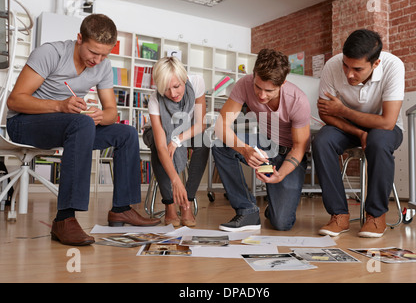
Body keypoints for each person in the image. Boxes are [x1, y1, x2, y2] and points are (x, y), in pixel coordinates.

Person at [6, 14, 160, 246]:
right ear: (79, 38)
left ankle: (122, 208)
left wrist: (101, 116)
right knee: (82, 123)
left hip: (69, 126)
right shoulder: (50, 53)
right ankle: (65, 219)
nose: (97, 60)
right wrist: (60, 105)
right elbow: (15, 101)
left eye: (104, 54)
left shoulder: (103, 66)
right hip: (25, 123)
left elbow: (111, 111)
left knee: (125, 133)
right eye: (93, 52)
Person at [312, 29, 405, 238]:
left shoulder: (394, 66)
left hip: (385, 129)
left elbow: (387, 122)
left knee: (378, 141)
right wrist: (357, 131)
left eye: (357, 69)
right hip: (348, 127)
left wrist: (343, 110)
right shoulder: (332, 66)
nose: (348, 74)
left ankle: (375, 215)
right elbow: (326, 114)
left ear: (376, 64)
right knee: (322, 141)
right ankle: (339, 214)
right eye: (346, 65)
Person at [212, 48, 311, 232]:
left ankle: (273, 208)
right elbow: (220, 125)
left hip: (287, 156)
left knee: (281, 223)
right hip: (265, 148)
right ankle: (247, 210)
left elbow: (299, 148)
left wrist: (280, 174)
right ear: (254, 74)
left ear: (282, 84)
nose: (262, 95)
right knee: (220, 145)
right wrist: (244, 150)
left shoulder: (298, 100)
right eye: (258, 87)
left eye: (269, 90)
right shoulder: (244, 84)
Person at [143, 56, 209, 227]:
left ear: (185, 78)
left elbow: (201, 124)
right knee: (161, 147)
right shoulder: (155, 100)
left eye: (176, 86)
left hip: (187, 130)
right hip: (157, 131)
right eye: (166, 89)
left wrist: (178, 139)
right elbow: (161, 145)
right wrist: (176, 181)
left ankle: (186, 203)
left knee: (204, 142)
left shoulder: (197, 83)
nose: (172, 94)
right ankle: (169, 205)